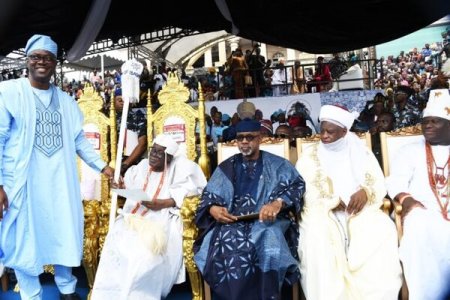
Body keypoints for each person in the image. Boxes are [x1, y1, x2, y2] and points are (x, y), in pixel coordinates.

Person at [0, 34, 114, 300]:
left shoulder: (66, 101)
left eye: (48, 58)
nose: (42, 62)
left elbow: (79, 141)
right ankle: (31, 294)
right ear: (27, 61)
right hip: (22, 182)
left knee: (63, 229)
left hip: (60, 182)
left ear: (55, 64)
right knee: (23, 238)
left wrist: (103, 168)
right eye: (36, 57)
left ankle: (67, 288)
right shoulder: (9, 93)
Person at [295, 104, 402, 300]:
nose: (324, 136)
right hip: (322, 212)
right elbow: (303, 188)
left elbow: (377, 182)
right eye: (322, 130)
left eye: (330, 132)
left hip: (361, 211)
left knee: (382, 229)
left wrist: (366, 192)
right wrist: (329, 202)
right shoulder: (309, 155)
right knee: (316, 237)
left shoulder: (362, 151)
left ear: (344, 131)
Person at [194, 119, 305, 300]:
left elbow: (297, 186)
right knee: (223, 242)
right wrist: (213, 209)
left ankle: (269, 296)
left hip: (269, 221)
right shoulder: (226, 167)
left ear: (259, 138)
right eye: (240, 138)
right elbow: (208, 196)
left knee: (269, 239)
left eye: (250, 137)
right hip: (232, 222)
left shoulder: (279, 164)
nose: (244, 142)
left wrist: (277, 204)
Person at [92, 134, 206, 299]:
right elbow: (127, 186)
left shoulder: (180, 168)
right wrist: (119, 185)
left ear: (169, 157)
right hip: (133, 216)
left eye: (160, 153)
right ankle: (112, 293)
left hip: (161, 218)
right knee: (115, 240)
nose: (154, 156)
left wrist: (165, 203)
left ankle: (139, 295)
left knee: (143, 251)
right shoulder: (142, 166)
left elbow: (193, 193)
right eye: (153, 151)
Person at [386, 89, 450, 300]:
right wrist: (407, 200)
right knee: (419, 227)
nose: (428, 125)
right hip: (422, 211)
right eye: (425, 121)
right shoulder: (409, 150)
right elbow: (396, 181)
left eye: (435, 121)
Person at [114, 88, 148, 175]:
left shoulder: (138, 118)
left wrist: (125, 164)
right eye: (119, 100)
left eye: (125, 100)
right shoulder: (108, 120)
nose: (122, 102)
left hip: (132, 166)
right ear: (113, 102)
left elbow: (142, 144)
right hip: (110, 166)